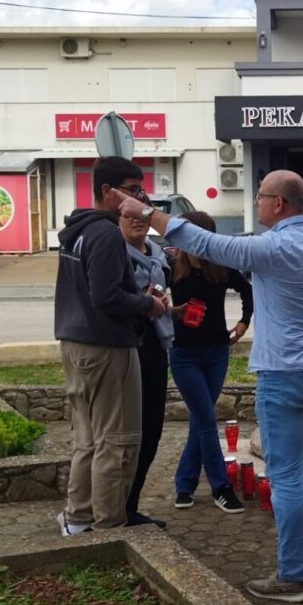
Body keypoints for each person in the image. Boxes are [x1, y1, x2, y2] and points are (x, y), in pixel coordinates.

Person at [120, 169, 303, 604]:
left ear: (278, 204)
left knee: (287, 475)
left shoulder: (276, 246)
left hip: (285, 374)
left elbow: (207, 244)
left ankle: (293, 578)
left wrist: (148, 214)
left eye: (260, 196)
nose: (256, 202)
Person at [53, 156, 167, 535]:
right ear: (107, 191)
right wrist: (147, 303)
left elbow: (93, 291)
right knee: (116, 441)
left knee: (88, 438)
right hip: (106, 347)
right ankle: (109, 525)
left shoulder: (79, 230)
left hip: (75, 342)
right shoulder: (105, 234)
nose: (140, 198)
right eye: (132, 190)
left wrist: (134, 296)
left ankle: (79, 517)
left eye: (141, 190)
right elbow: (106, 297)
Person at [168, 211, 253, 515]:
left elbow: (248, 290)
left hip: (217, 353)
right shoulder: (171, 269)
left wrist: (244, 323)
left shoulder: (221, 269)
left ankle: (184, 484)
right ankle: (220, 487)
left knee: (200, 420)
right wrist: (170, 311)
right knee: (206, 419)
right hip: (184, 355)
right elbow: (149, 300)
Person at [119, 212, 174, 529]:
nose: (138, 221)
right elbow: (110, 300)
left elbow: (160, 299)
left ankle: (132, 505)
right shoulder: (114, 253)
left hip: (156, 345)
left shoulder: (157, 255)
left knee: (152, 431)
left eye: (142, 215)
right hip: (130, 347)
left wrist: (168, 307)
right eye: (129, 216)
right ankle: (119, 507)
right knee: (129, 431)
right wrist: (144, 302)